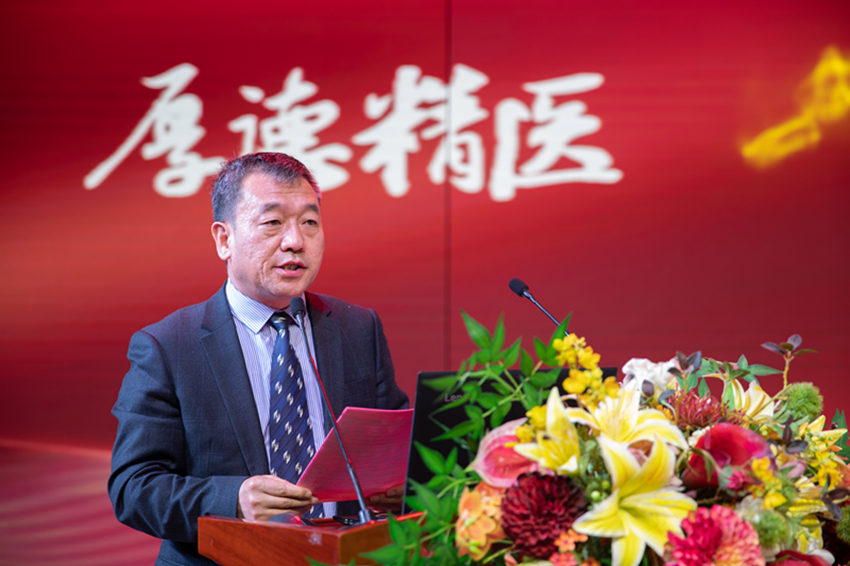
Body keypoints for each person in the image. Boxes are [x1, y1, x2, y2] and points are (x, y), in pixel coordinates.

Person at [108, 152, 409, 566]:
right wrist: (232, 498)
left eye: (310, 222)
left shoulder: (357, 327)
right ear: (224, 239)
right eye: (273, 222)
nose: (295, 241)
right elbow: (134, 486)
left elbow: (395, 445)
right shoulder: (168, 346)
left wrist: (402, 484)